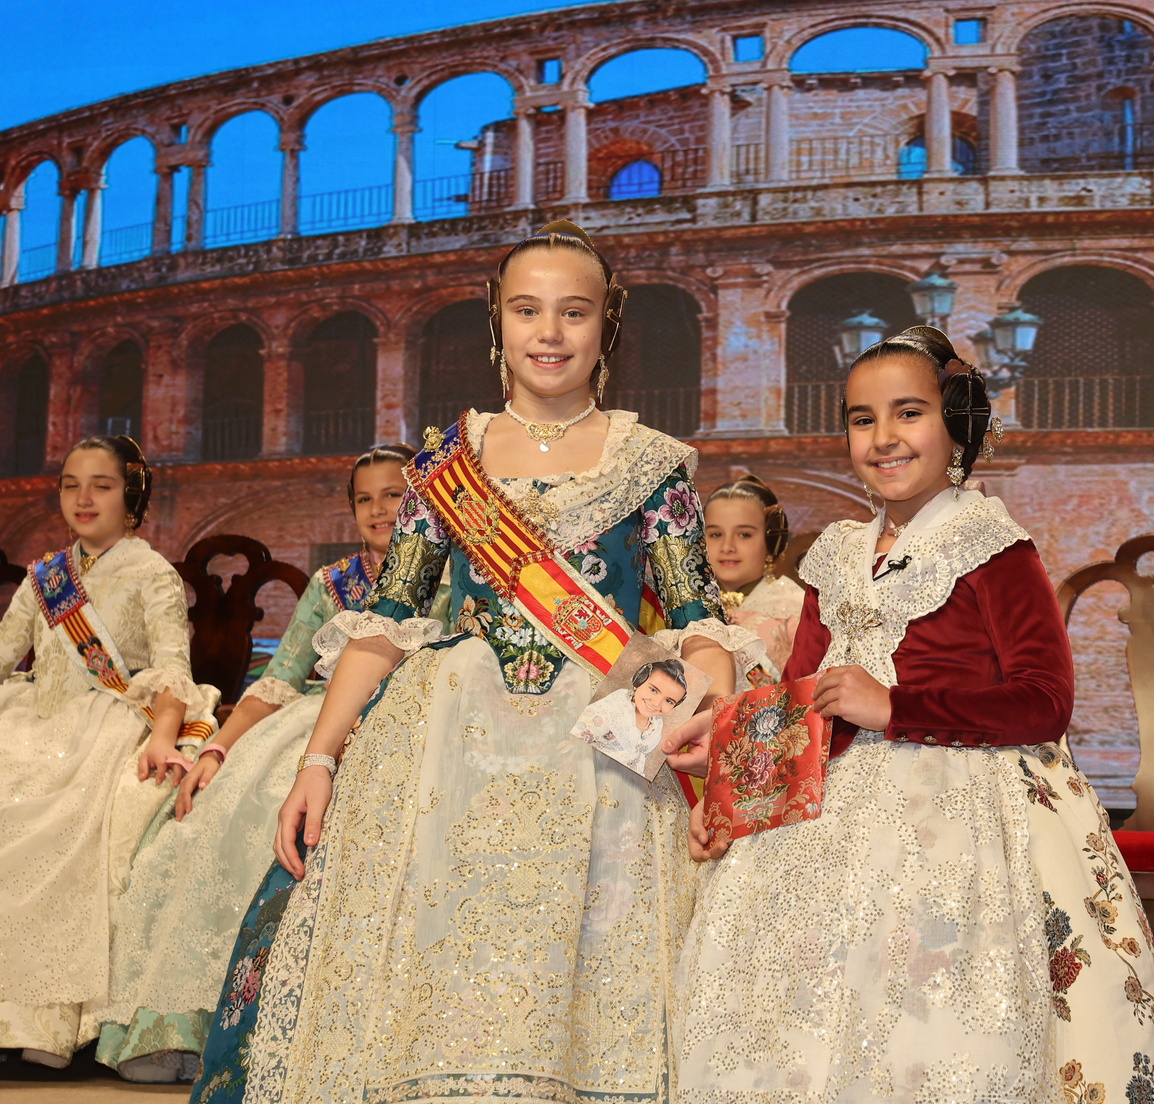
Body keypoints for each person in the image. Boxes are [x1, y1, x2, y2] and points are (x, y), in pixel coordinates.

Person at [196, 221, 744, 1104]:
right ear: (498, 322)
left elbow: (697, 623)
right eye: (527, 310)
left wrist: (709, 721)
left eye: (574, 312)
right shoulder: (446, 464)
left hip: (602, 747)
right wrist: (319, 761)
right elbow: (386, 625)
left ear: (607, 325)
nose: (550, 332)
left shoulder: (653, 464)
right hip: (448, 741)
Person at [663, 326, 1154, 1103]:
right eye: (863, 419)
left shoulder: (993, 545)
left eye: (907, 413)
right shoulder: (833, 554)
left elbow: (1045, 701)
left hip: (964, 810)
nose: (883, 437)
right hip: (827, 811)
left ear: (954, 423)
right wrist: (727, 775)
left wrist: (896, 707)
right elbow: (800, 703)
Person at [98, 445, 443, 1083]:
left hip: (417, 720)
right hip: (314, 720)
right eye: (364, 498)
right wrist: (218, 749)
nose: (378, 509)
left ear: (423, 500)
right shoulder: (332, 584)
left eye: (394, 495)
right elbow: (278, 680)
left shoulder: (455, 575)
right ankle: (191, 1024)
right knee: (226, 810)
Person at [0, 436, 220, 1068]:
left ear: (132, 496)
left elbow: (173, 669)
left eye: (101, 485)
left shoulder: (151, 573)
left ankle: (44, 1024)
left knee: (57, 819)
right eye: (71, 484)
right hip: (33, 718)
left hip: (109, 721)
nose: (84, 498)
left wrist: (162, 734)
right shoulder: (45, 578)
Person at [705, 474, 804, 682]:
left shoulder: (796, 609)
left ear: (771, 540)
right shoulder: (685, 606)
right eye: (715, 534)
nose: (727, 547)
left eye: (744, 535)